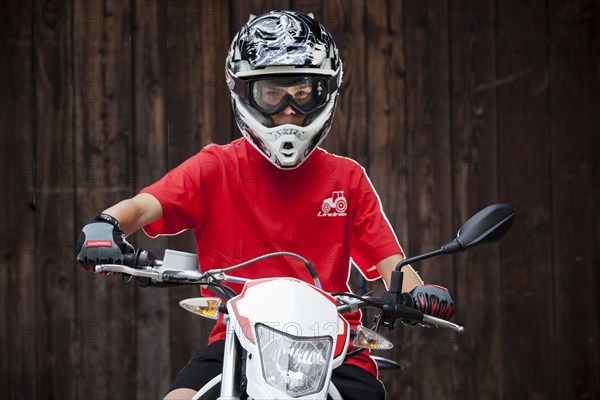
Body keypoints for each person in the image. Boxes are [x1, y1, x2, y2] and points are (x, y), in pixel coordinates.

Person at [76, 10, 455, 400]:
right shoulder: (216, 168)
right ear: (245, 91)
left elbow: (392, 264)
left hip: (334, 348)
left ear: (325, 92)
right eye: (273, 93)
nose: (289, 109)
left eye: (302, 93)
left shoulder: (346, 179)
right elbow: (143, 206)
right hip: (236, 341)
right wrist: (106, 223)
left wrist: (419, 292)